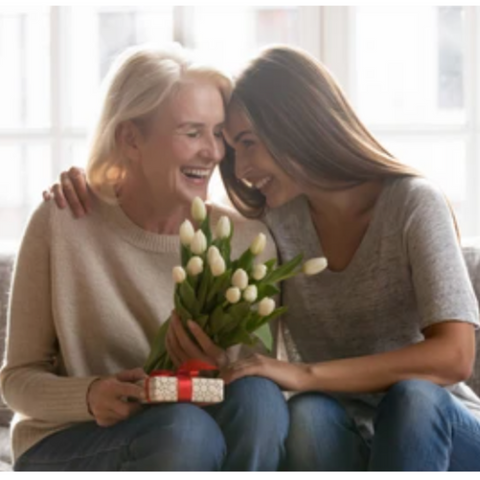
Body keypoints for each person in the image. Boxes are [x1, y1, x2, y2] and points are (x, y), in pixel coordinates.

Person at [51, 45, 480, 471]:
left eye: (248, 144)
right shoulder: (275, 223)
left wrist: (306, 375)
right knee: (307, 415)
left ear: (297, 126)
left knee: (412, 399)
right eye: (233, 148)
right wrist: (95, 181)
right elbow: (173, 199)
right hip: (342, 423)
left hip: (438, 429)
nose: (239, 169)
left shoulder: (412, 204)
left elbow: (455, 357)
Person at [0, 44, 289, 471]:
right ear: (131, 138)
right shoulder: (63, 222)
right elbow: (16, 380)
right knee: (186, 431)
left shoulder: (247, 243)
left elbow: (256, 387)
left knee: (259, 398)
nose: (212, 152)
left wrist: (209, 374)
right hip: (70, 444)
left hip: (191, 434)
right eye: (192, 133)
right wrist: (90, 394)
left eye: (217, 133)